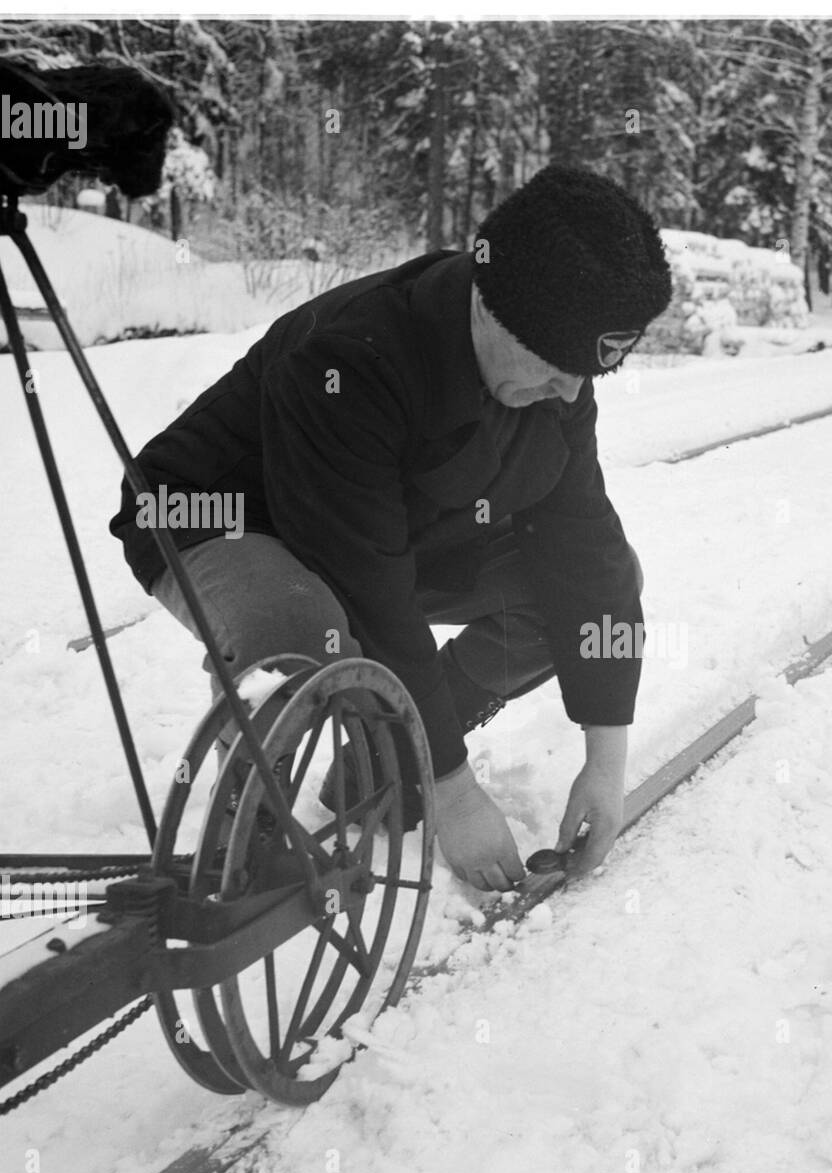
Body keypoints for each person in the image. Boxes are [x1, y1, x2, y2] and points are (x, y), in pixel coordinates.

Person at [110, 164, 673, 891]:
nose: (571, 390)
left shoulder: (555, 377)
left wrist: (606, 763)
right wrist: (455, 791)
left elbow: (584, 550)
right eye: (557, 366)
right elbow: (369, 587)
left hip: (392, 520)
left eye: (586, 373)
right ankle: (250, 832)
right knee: (305, 627)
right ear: (493, 308)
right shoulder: (350, 357)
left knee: (582, 582)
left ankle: (383, 760)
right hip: (215, 513)